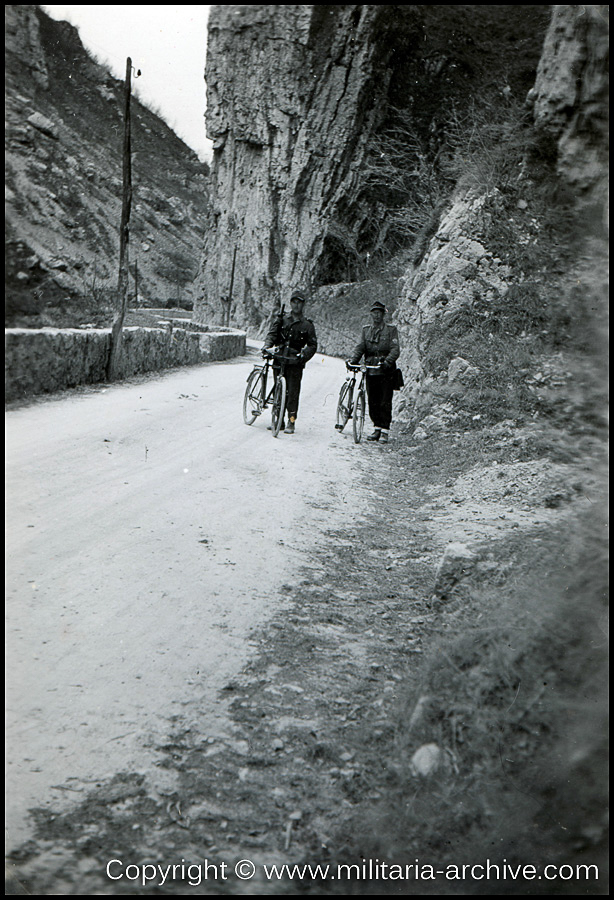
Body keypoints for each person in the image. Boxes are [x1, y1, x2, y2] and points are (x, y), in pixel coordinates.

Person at [263, 290, 318, 434]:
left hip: (295, 362)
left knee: (293, 393)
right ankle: (278, 421)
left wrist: (303, 355)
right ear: (290, 303)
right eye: (294, 301)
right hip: (279, 359)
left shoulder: (307, 325)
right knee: (278, 390)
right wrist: (267, 346)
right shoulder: (282, 319)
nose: (296, 305)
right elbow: (272, 334)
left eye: (299, 302)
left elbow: (312, 345)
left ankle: (291, 422)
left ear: (303, 304)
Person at [348, 300, 400, 443]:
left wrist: (387, 362)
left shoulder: (391, 330)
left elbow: (395, 349)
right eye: (374, 313)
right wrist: (353, 361)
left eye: (380, 313)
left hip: (386, 371)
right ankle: (377, 428)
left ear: (383, 315)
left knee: (385, 401)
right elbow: (360, 347)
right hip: (371, 370)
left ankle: (385, 430)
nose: (377, 315)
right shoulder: (366, 330)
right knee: (373, 401)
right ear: (371, 314)